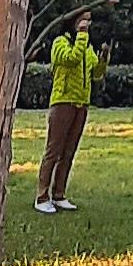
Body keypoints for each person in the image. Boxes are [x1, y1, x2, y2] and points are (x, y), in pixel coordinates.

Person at [38, 13, 105, 211]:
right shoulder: (61, 43)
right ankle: (42, 197)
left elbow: (96, 74)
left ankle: (59, 194)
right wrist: (82, 35)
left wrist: (103, 59)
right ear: (74, 22)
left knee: (68, 152)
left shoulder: (87, 47)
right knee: (54, 150)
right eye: (84, 19)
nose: (87, 23)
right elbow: (72, 59)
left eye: (90, 20)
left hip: (81, 103)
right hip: (63, 101)